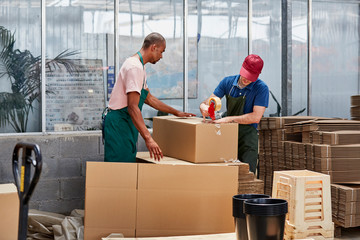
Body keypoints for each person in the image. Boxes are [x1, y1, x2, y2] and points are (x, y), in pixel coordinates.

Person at [104, 32, 196, 162]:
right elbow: (132, 107)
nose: (161, 56)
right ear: (153, 47)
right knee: (119, 168)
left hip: (126, 124)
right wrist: (149, 139)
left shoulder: (139, 66)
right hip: (120, 124)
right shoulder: (134, 67)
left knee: (126, 166)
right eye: (161, 52)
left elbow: (149, 98)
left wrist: (176, 112)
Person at [199, 54, 269, 173]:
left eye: (251, 77)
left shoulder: (261, 88)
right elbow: (211, 101)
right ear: (242, 68)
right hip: (228, 135)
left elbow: (256, 117)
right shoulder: (228, 82)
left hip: (247, 138)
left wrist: (228, 119)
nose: (247, 79)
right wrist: (204, 107)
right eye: (246, 75)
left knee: (247, 174)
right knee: (225, 172)